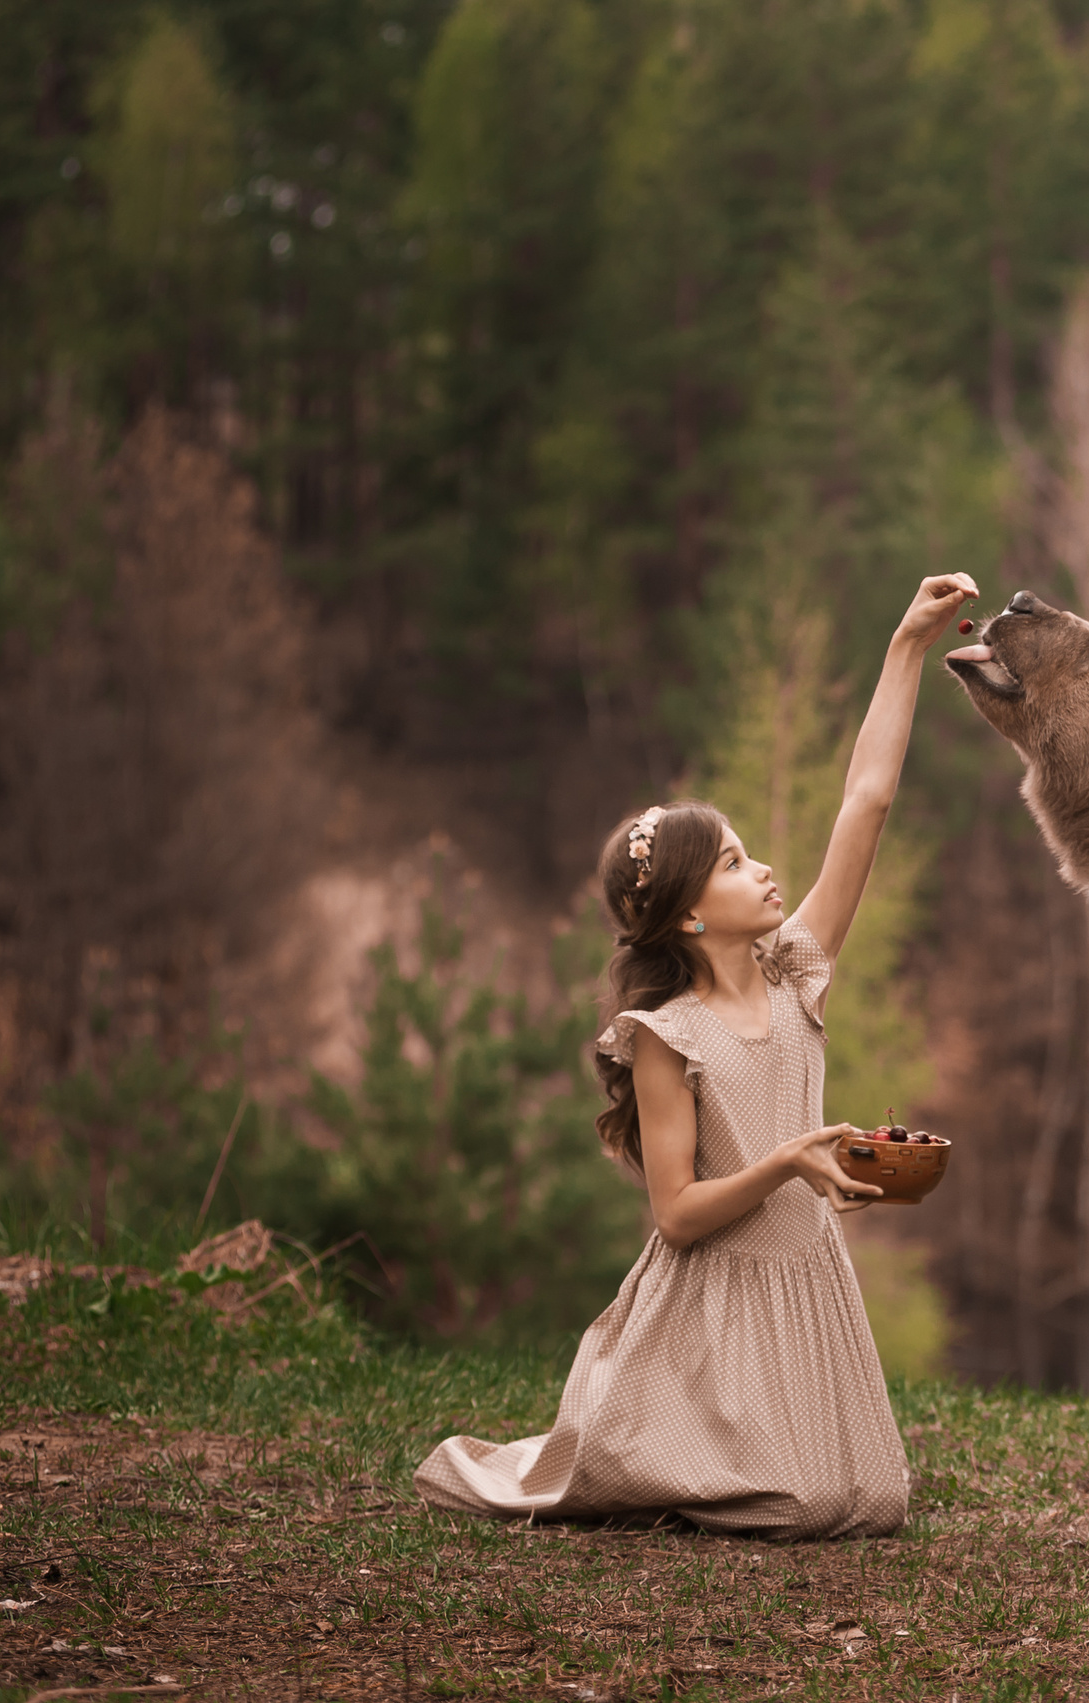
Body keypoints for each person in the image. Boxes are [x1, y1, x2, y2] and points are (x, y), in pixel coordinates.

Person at [414, 572, 979, 1535]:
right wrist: (787, 1161)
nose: (764, 869)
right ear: (686, 913)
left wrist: (906, 648)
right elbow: (676, 1215)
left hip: (807, 1288)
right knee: (801, 1505)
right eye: (733, 863)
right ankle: (657, 1439)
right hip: (711, 1307)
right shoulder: (665, 1037)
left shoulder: (797, 972)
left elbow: (867, 801)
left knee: (872, 1503)